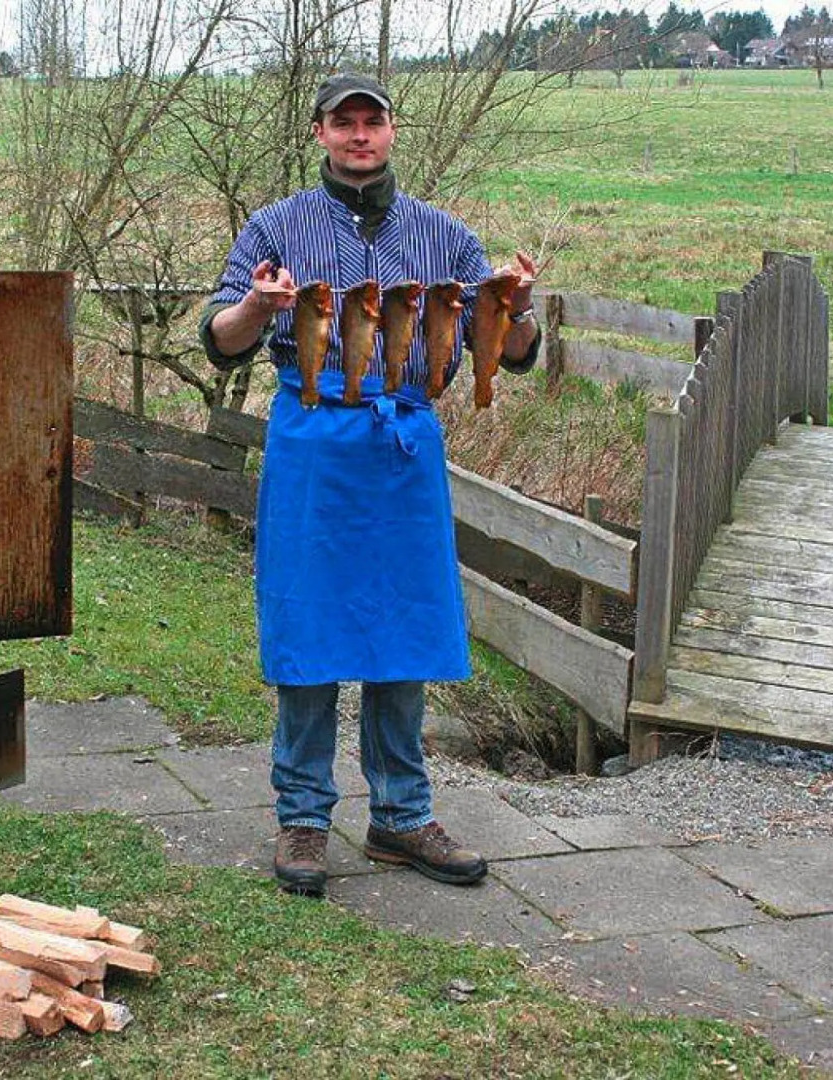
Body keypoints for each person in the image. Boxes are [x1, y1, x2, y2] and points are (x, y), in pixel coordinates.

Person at [200, 72, 542, 898]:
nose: (360, 136)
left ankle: (400, 815)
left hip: (403, 444)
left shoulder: (445, 236)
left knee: (404, 627)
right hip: (313, 436)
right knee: (309, 626)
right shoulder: (273, 229)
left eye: (372, 122)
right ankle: (305, 819)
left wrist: (518, 305)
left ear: (391, 133)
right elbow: (220, 339)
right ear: (319, 133)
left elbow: (521, 351)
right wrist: (256, 305)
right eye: (343, 123)